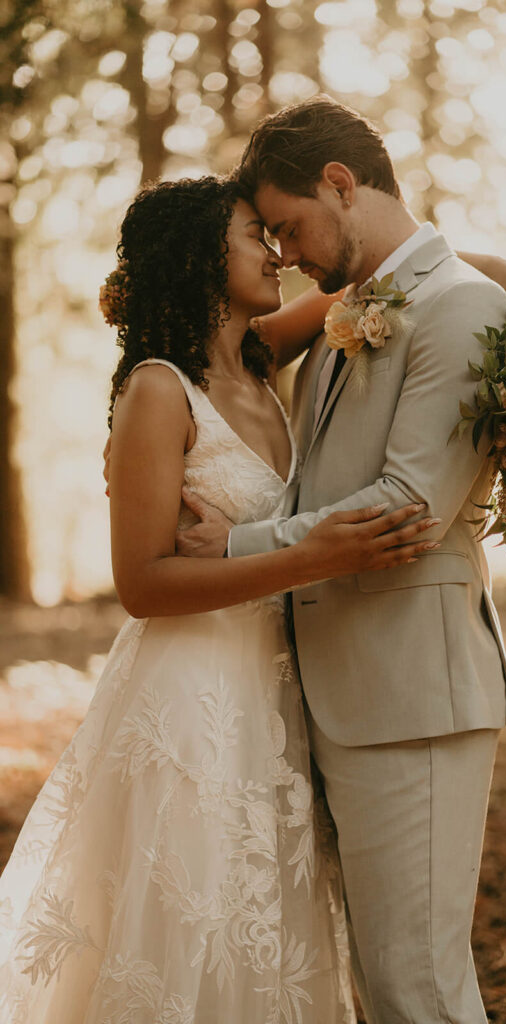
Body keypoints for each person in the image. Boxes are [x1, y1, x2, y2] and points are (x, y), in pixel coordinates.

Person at [0, 175, 439, 1024]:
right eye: (254, 236)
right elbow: (141, 584)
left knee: (268, 934)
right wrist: (307, 555)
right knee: (191, 923)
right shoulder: (159, 389)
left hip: (279, 693)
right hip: (192, 701)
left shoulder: (260, 355)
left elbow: (388, 277)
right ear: (204, 258)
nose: (277, 251)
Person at [175, 97, 506, 1024]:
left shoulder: (455, 306)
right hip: (345, 690)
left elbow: (409, 509)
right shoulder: (363, 305)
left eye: (289, 225)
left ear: (340, 184)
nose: (284, 252)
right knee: (382, 987)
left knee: (415, 988)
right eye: (265, 235)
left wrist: (232, 544)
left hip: (410, 693)